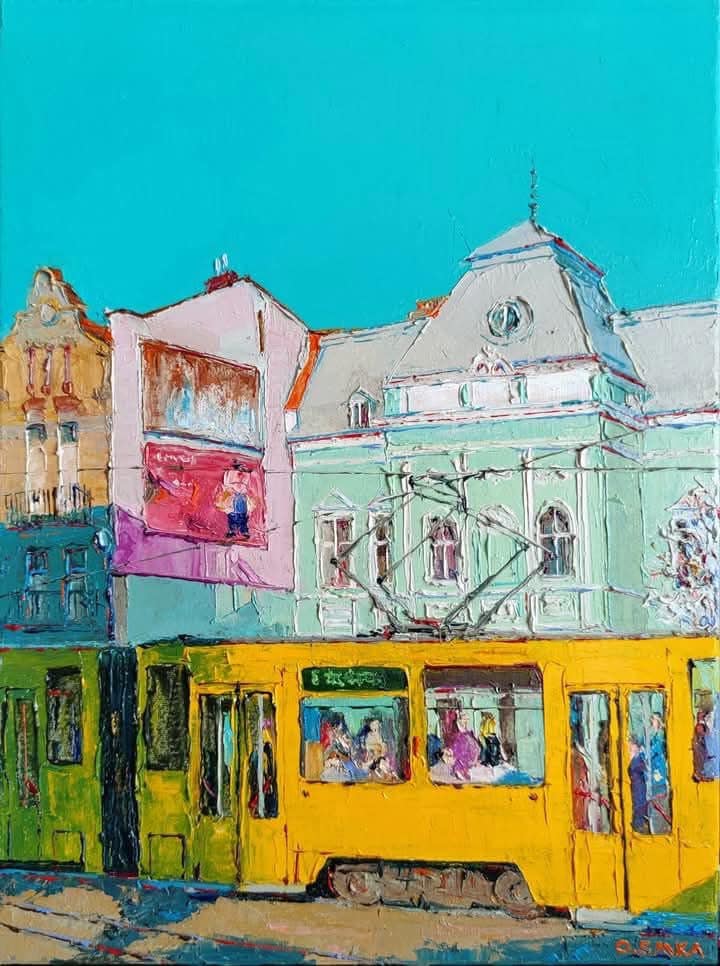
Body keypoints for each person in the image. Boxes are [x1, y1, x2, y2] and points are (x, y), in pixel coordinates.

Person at [449, 709, 483, 781]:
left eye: (466, 719)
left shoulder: (465, 727)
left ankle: (464, 771)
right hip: (461, 741)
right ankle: (459, 771)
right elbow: (460, 730)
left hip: (465, 739)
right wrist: (457, 715)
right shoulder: (457, 723)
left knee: (474, 751)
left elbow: (466, 731)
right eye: (464, 718)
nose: (466, 720)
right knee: (463, 755)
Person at [628, 737, 648, 832]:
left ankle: (639, 825)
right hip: (635, 785)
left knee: (639, 805)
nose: (630, 747)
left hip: (639, 786)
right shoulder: (634, 757)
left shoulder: (639, 758)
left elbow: (642, 767)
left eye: (631, 745)